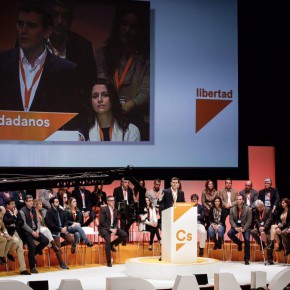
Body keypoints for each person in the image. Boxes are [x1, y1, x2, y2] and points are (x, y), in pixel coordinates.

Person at [0, 0, 80, 129]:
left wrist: (79, 136)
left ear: (47, 32)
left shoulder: (67, 71)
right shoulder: (2, 64)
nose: (23, 31)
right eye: (20, 24)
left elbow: (77, 119)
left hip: (48, 147)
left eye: (31, 26)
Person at [95, 2, 150, 140]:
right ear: (117, 26)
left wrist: (128, 106)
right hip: (107, 114)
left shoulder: (146, 59)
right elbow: (102, 84)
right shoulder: (102, 54)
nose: (127, 30)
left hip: (135, 116)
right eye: (124, 24)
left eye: (133, 27)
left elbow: (146, 91)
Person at [47, 0, 97, 101]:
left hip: (72, 107)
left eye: (65, 16)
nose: (60, 21)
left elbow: (90, 85)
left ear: (71, 20)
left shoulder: (83, 46)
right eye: (55, 15)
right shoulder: (34, 44)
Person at [19, 195, 49, 273]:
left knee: (45, 240)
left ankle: (32, 254)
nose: (31, 202)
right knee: (31, 246)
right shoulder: (22, 211)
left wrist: (38, 230)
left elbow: (38, 221)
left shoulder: (33, 210)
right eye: (29, 201)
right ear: (25, 202)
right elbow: (23, 224)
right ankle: (32, 267)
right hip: (27, 231)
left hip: (35, 230)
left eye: (32, 200)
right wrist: (32, 232)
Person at [3, 198, 31, 274]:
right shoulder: (4, 212)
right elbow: (7, 222)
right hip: (9, 233)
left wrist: (14, 222)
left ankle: (23, 269)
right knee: (17, 241)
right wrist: (14, 216)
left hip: (17, 231)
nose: (14, 205)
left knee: (20, 249)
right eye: (11, 204)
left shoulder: (15, 210)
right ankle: (10, 253)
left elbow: (21, 222)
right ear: (7, 205)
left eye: (14, 203)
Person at [44, 196, 74, 267]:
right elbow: (50, 225)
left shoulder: (61, 210)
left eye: (58, 201)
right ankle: (61, 263)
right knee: (58, 247)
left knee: (71, 240)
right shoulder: (49, 212)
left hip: (62, 229)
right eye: (56, 202)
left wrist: (65, 227)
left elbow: (66, 220)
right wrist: (60, 229)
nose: (58, 203)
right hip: (55, 230)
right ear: (52, 204)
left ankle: (57, 246)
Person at [98, 195, 127, 267]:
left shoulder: (116, 210)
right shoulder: (103, 210)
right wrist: (110, 229)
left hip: (113, 228)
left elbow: (116, 221)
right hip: (104, 228)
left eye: (113, 200)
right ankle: (108, 261)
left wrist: (116, 228)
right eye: (111, 201)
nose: (113, 202)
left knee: (124, 235)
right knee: (108, 241)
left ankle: (112, 244)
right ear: (107, 202)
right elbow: (102, 222)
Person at [227, 195, 252, 265]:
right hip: (236, 226)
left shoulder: (248, 209)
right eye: (237, 199)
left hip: (245, 227)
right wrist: (235, 227)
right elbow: (231, 220)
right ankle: (239, 243)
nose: (238, 201)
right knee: (229, 233)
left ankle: (247, 258)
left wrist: (244, 229)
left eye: (240, 199)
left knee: (247, 240)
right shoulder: (232, 209)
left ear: (243, 201)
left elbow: (249, 221)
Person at [250, 200, 274, 265]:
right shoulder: (255, 211)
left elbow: (269, 220)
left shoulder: (269, 210)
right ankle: (262, 245)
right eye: (258, 207)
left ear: (263, 205)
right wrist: (260, 226)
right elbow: (256, 220)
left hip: (268, 228)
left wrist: (264, 227)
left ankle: (270, 259)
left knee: (269, 239)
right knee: (252, 231)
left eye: (260, 207)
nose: (259, 209)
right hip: (259, 227)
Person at [113, 177, 135, 245]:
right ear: (122, 183)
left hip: (128, 208)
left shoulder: (130, 190)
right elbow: (115, 201)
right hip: (120, 208)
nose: (127, 184)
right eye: (125, 182)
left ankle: (124, 235)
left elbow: (131, 200)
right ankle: (124, 239)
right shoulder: (117, 190)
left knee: (128, 218)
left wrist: (132, 205)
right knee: (123, 217)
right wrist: (119, 207)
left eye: (128, 182)